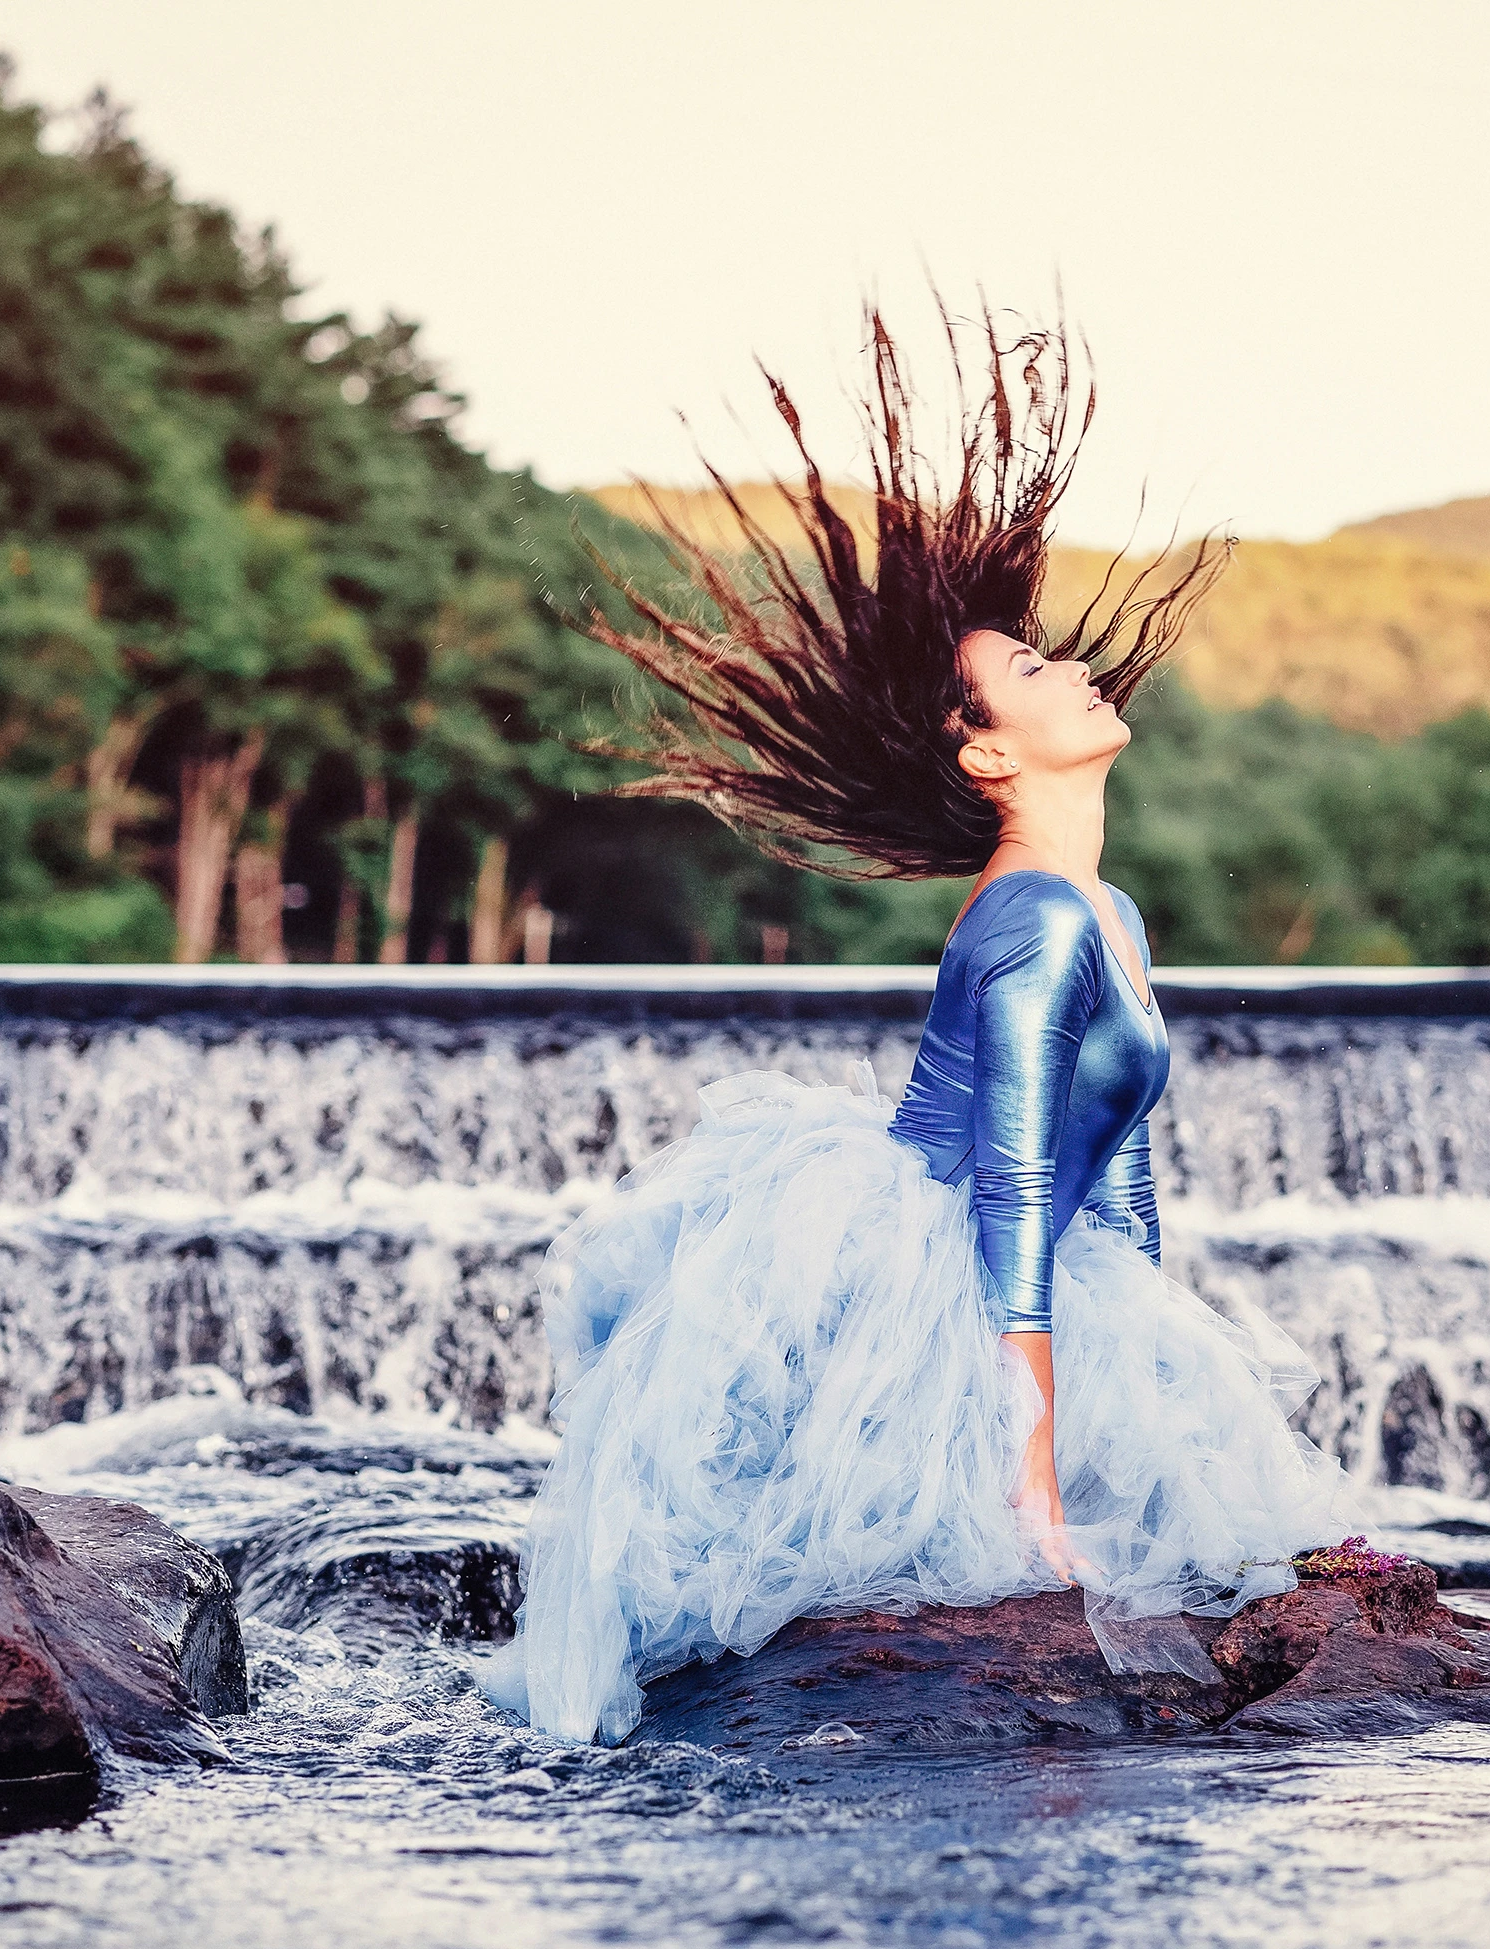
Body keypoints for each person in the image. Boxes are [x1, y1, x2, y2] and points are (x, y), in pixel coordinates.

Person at [479, 309, 1351, 1745]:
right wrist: (1033, 1498)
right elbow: (1009, 1198)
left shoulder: (1112, 915)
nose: (1075, 669)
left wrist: (1166, 1423)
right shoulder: (1035, 924)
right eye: (1029, 672)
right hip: (931, 1289)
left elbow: (1116, 1194)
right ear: (991, 750)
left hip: (1038, 1289)